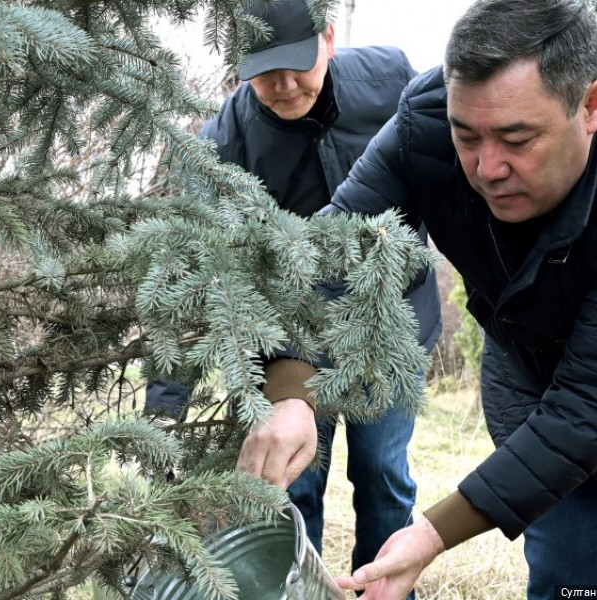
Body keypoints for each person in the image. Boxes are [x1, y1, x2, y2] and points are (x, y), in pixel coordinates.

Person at [239, 0, 597, 598]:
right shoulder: (424, 125)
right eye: (466, 135)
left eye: (517, 139)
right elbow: (330, 252)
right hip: (541, 386)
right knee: (566, 586)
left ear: (591, 106)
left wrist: (433, 533)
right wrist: (293, 392)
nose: (486, 167)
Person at [146, 0, 443, 576]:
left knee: (383, 475)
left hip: (390, 322)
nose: (283, 85)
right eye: (263, 71)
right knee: (294, 482)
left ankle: (381, 589)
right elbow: (185, 273)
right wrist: (165, 413)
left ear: (328, 39)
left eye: (298, 65)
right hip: (294, 348)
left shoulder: (393, 82)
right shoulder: (222, 147)